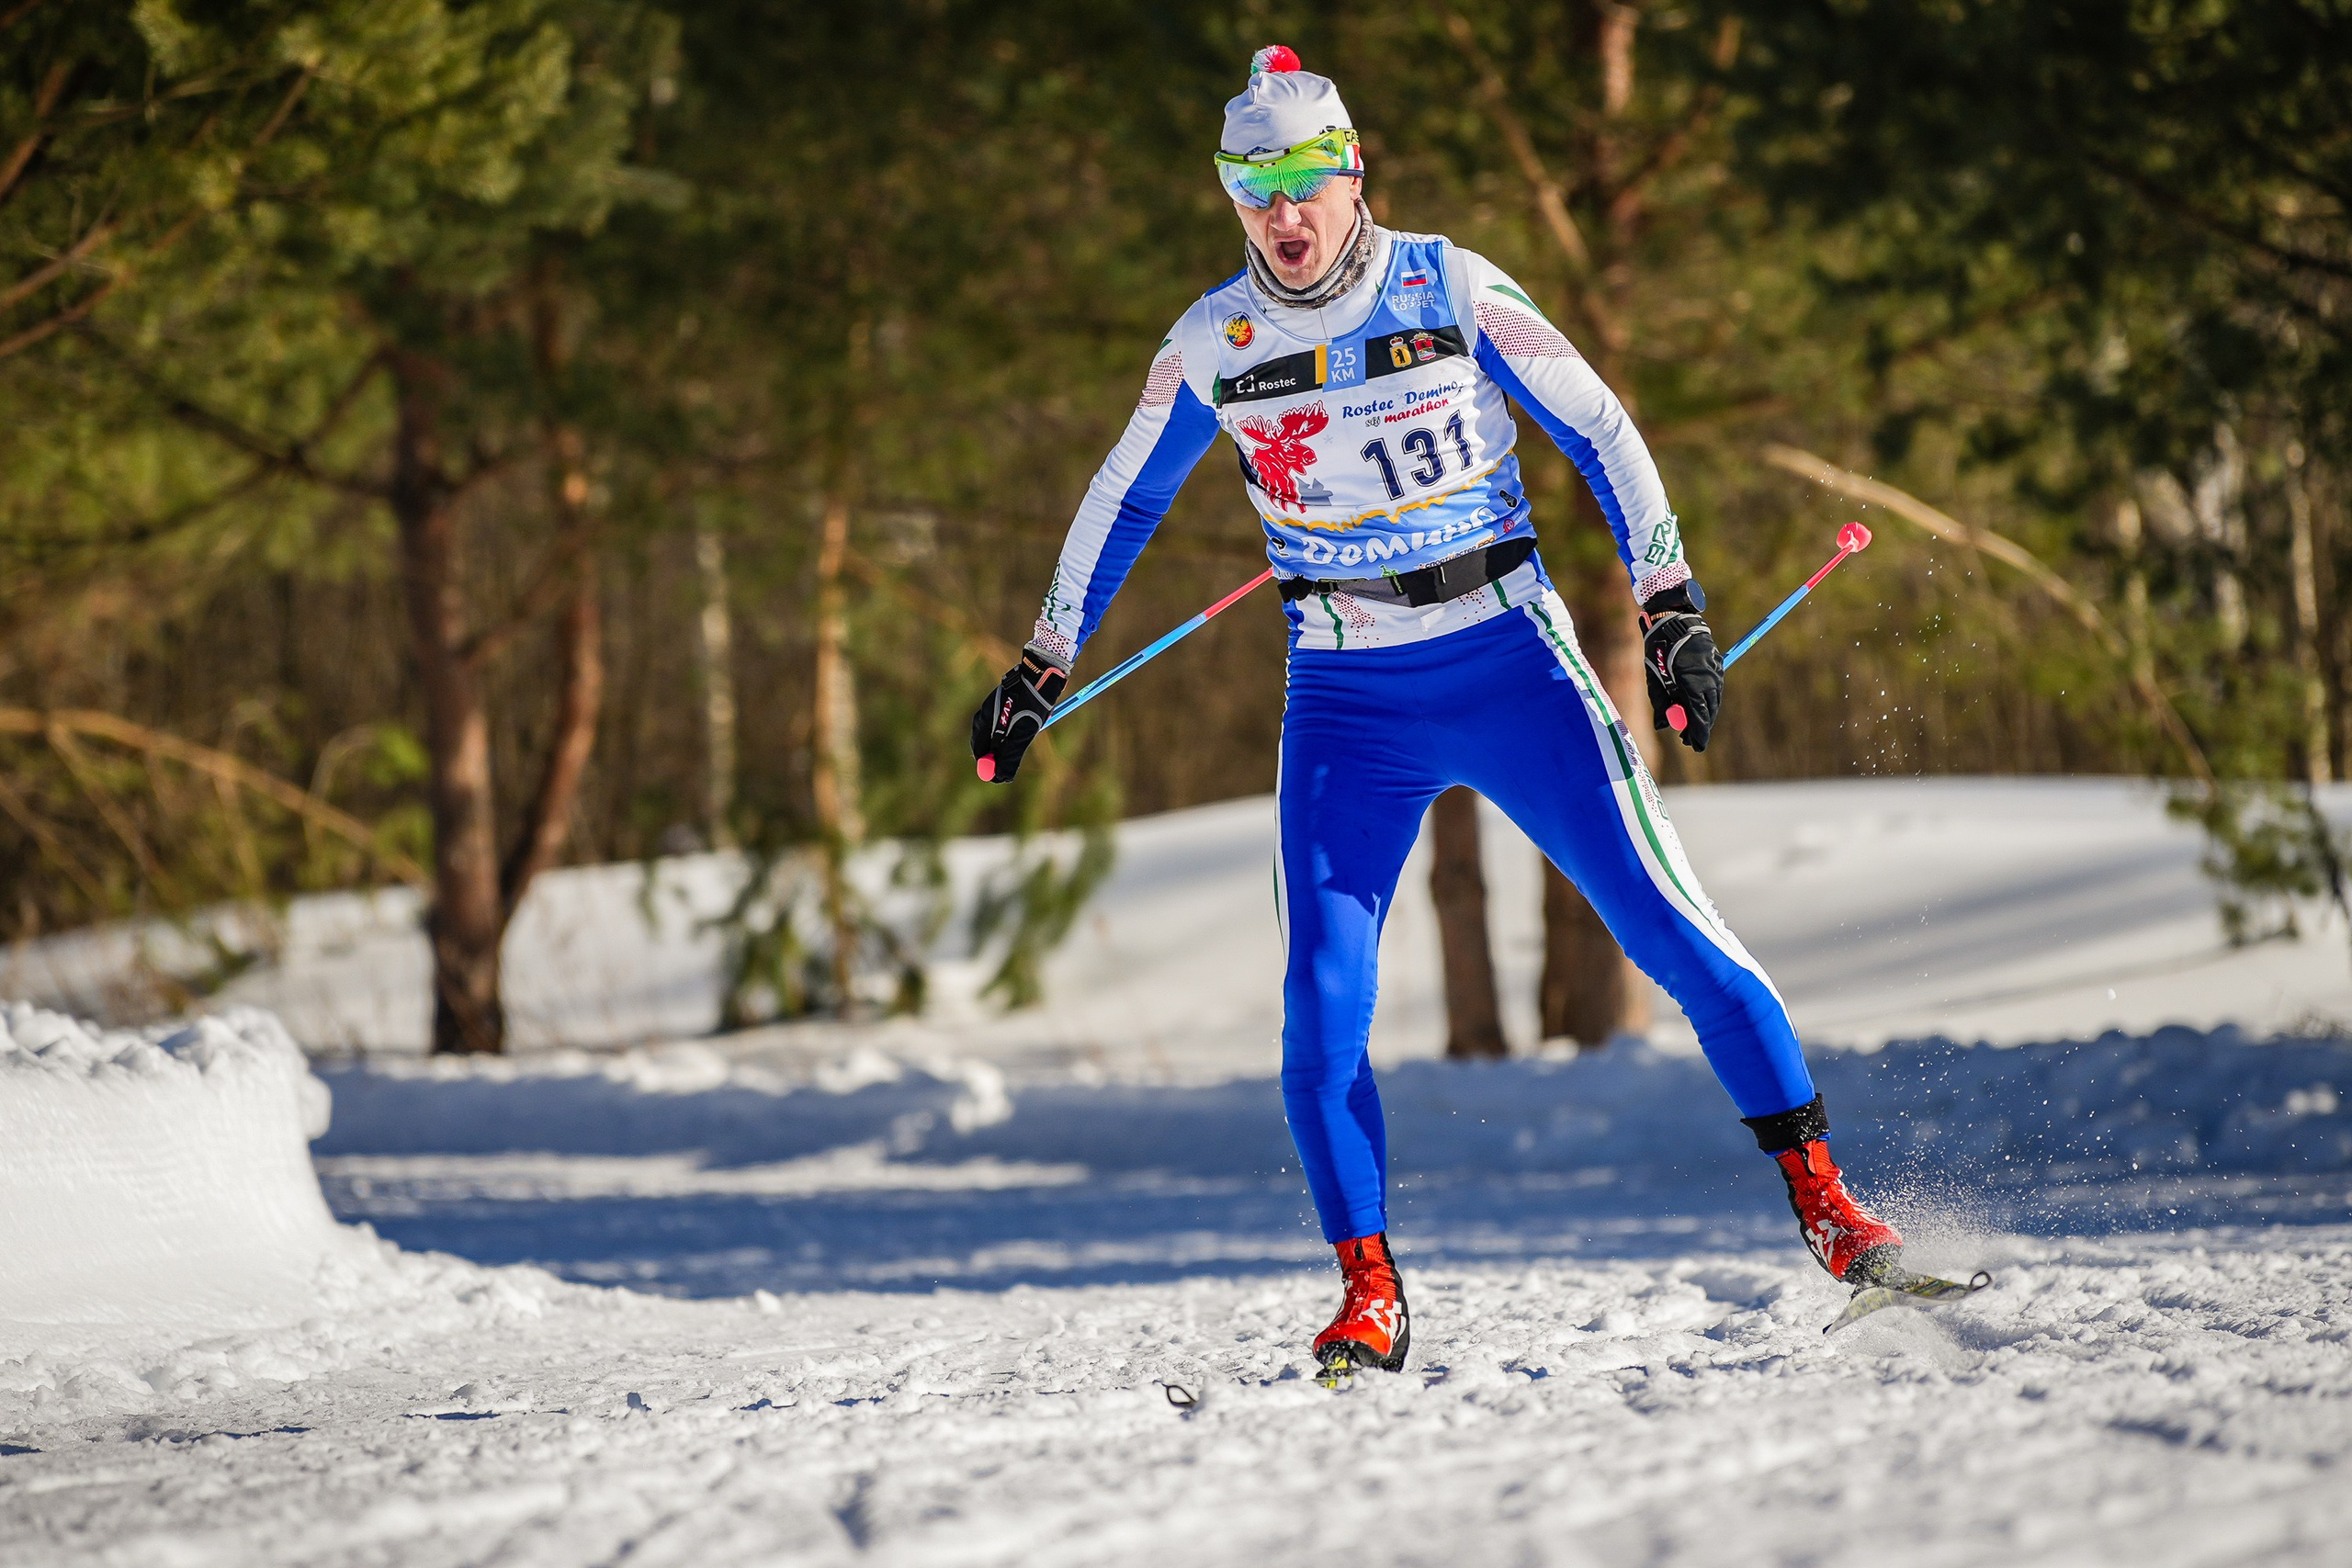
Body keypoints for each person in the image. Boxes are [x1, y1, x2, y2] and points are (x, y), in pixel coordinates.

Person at [971, 46, 1903, 1378]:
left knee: (1676, 935)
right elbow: (1123, 501)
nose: (1282, 217)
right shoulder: (1214, 343)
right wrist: (1040, 663)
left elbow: (1602, 428)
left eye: (1303, 182)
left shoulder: (1448, 281)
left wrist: (1672, 603)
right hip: (1348, 695)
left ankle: (1829, 1208)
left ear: (1352, 173)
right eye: (1253, 189)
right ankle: (1369, 1295)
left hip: (1511, 659)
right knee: (1319, 1005)